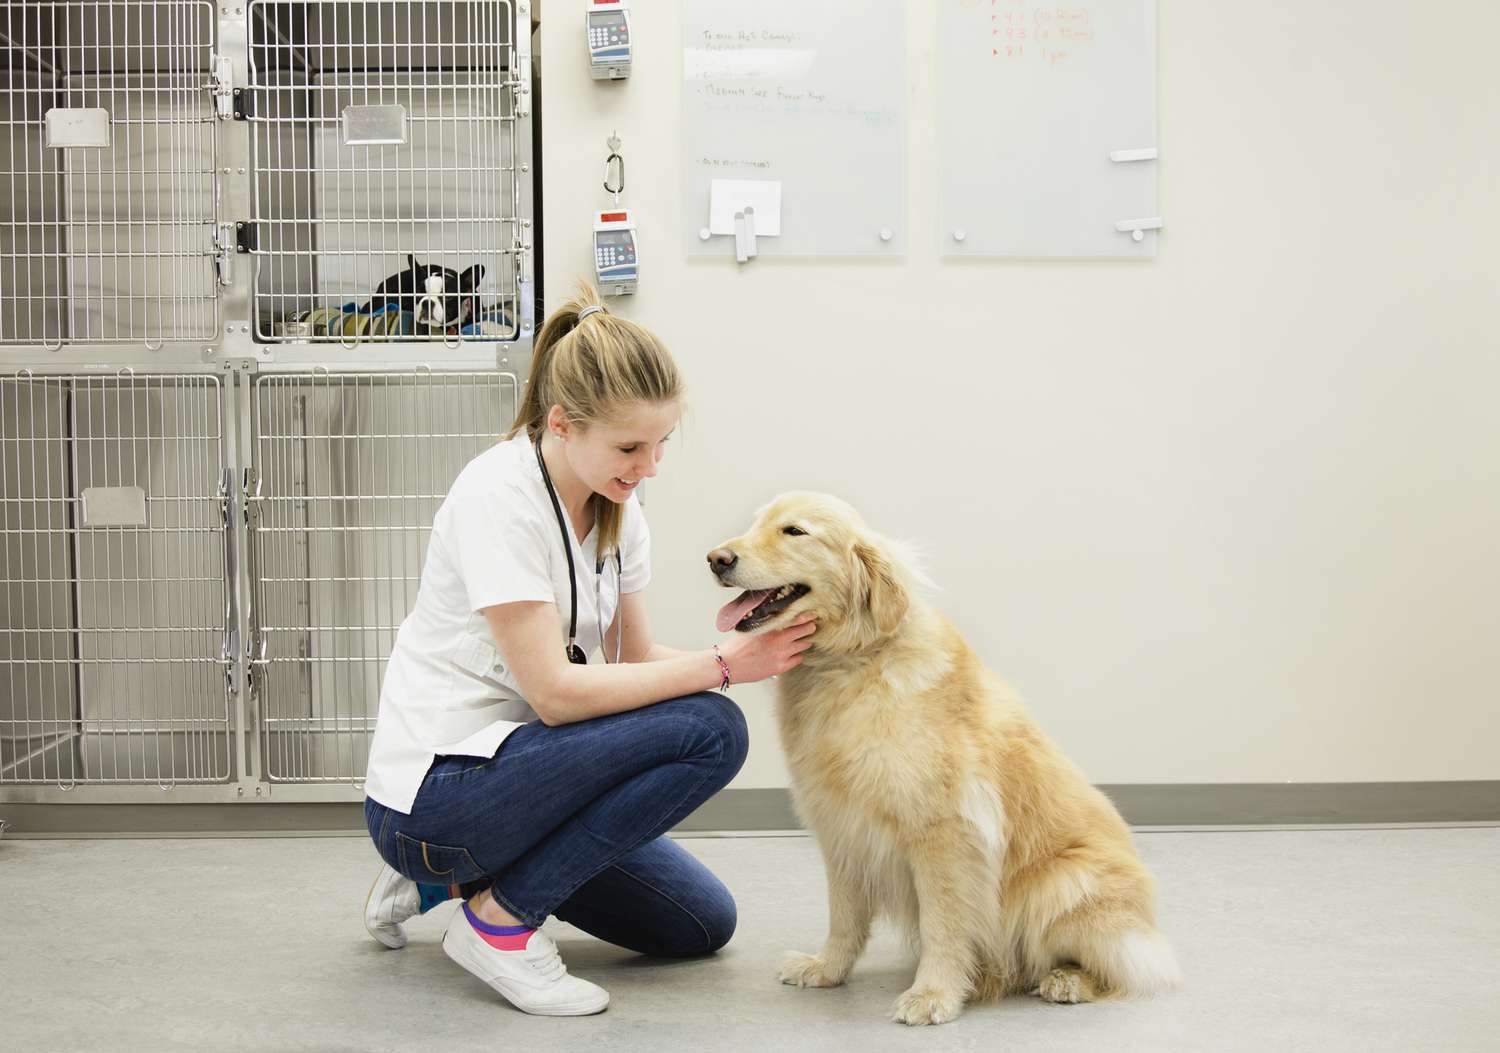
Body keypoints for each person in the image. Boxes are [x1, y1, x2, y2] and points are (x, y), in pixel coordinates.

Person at [360, 285, 817, 1016]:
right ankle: (496, 921)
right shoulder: (497, 498)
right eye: (632, 446)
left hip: (526, 776)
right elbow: (557, 694)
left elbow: (633, 658)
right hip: (436, 798)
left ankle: (446, 885)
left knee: (699, 923)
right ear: (563, 423)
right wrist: (724, 666)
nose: (650, 466)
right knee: (714, 726)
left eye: (662, 443)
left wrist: (753, 652)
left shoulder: (618, 509)